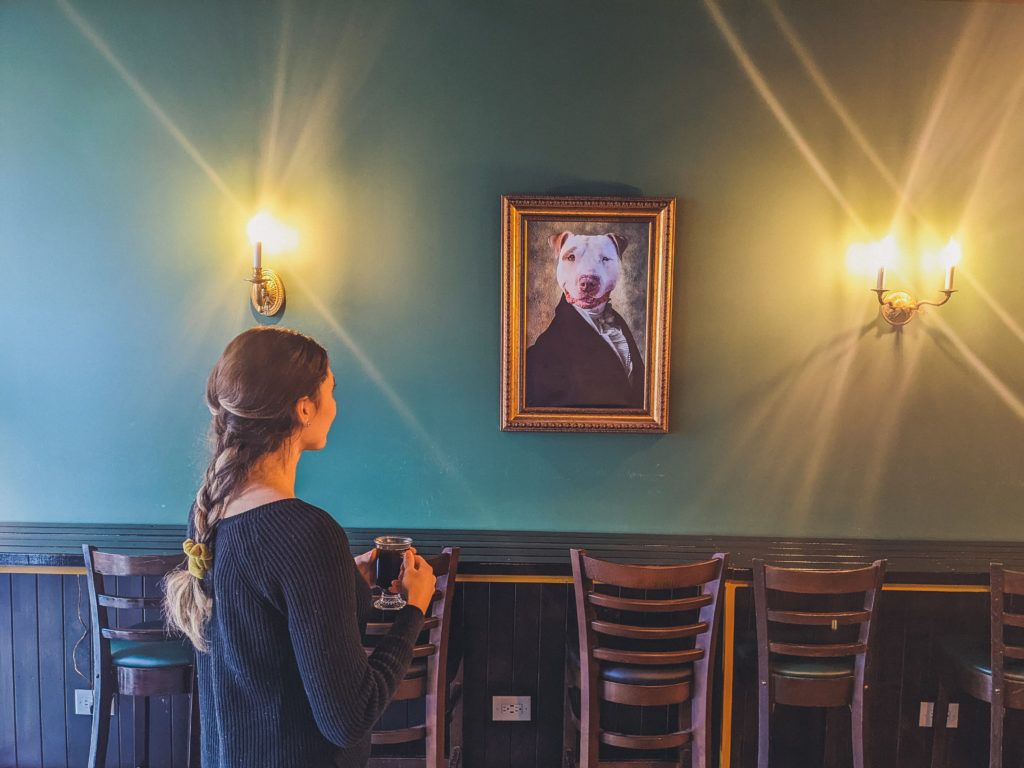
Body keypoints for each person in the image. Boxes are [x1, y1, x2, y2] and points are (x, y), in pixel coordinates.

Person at [163, 326, 436, 768]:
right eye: (331, 390)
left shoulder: (209, 514)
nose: (335, 404)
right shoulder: (307, 532)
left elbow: (264, 641)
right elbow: (349, 719)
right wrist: (414, 611)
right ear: (305, 408)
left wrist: (344, 580)